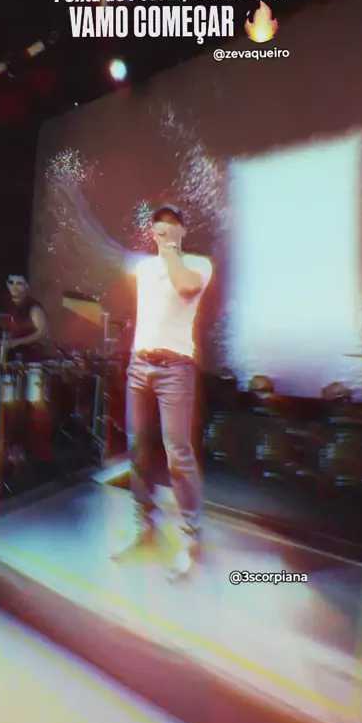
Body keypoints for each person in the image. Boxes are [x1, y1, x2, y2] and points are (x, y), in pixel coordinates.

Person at [111, 205, 212, 581]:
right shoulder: (143, 268)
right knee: (137, 449)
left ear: (183, 231)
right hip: (140, 365)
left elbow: (185, 287)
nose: (165, 229)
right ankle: (146, 528)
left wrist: (170, 251)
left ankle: (190, 536)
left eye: (172, 225)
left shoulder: (198, 265)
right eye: (159, 226)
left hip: (176, 368)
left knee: (178, 453)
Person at [3, 275, 52, 467]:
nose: (15, 287)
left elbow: (42, 331)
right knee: (10, 406)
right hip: (10, 362)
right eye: (11, 282)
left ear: (27, 287)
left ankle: (36, 453)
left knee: (34, 404)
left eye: (19, 283)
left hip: (31, 361)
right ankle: (12, 449)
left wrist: (17, 342)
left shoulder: (33, 307)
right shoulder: (5, 307)